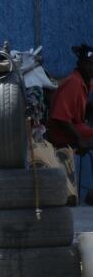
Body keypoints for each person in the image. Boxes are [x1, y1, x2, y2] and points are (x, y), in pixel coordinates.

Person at [48, 44, 93, 203]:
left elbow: (80, 106)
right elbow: (59, 117)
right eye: (88, 63)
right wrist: (79, 139)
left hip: (75, 125)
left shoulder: (86, 82)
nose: (91, 67)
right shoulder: (74, 82)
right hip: (61, 132)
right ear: (80, 64)